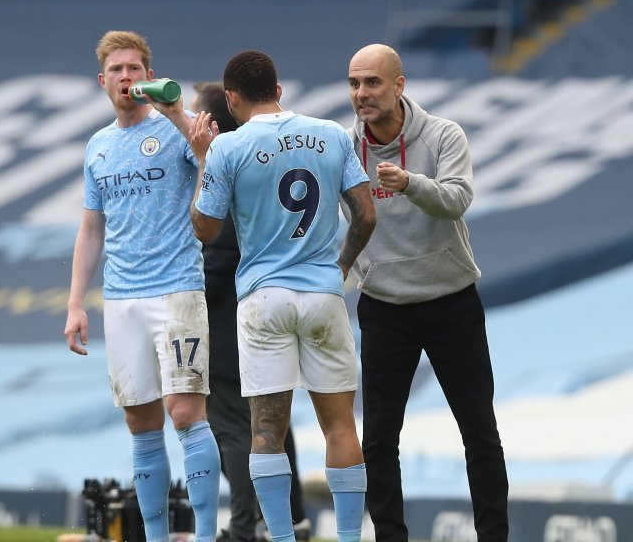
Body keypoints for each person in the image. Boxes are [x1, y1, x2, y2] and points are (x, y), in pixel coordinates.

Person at [185, 51, 376, 542]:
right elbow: (365, 215)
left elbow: (205, 229)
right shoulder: (332, 134)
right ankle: (350, 538)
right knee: (340, 427)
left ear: (231, 99)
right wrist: (341, 266)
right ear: (278, 91)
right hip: (323, 295)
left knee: (266, 433)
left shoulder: (228, 147)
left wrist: (204, 158)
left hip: (264, 299)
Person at [344, 43, 509, 541]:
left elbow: (457, 199)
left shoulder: (442, 134)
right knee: (378, 439)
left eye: (372, 82)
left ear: (399, 85)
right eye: (354, 83)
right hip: (384, 307)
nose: (361, 93)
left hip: (451, 302)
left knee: (479, 431)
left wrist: (410, 183)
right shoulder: (344, 148)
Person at [63, 30, 221, 542]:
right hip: (121, 298)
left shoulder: (177, 125)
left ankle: (204, 536)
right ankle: (154, 537)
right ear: (102, 80)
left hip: (177, 290)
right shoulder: (98, 146)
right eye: (117, 69)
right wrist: (75, 304)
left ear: (150, 76)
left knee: (185, 412)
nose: (126, 77)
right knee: (140, 421)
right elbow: (91, 230)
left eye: (134, 68)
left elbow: (214, 168)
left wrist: (180, 119)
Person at [190, 83, 310, 542]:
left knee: (233, 430)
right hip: (268, 315)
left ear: (212, 124)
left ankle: (244, 528)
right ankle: (290, 520)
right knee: (269, 422)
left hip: (229, 327)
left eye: (196, 114)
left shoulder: (224, 172)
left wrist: (180, 298)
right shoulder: (256, 165)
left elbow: (218, 259)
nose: (189, 122)